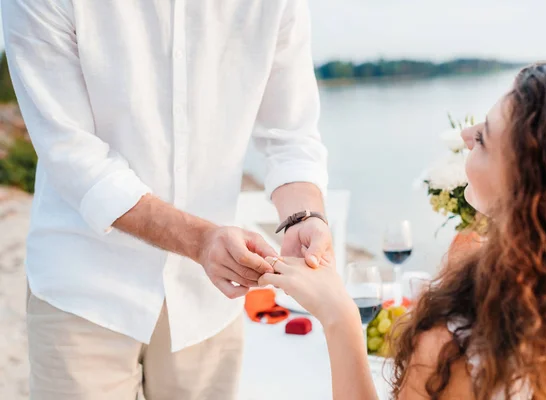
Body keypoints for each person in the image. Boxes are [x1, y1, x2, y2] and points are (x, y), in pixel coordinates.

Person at [2, 0, 331, 399]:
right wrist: (200, 241)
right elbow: (73, 156)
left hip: (208, 298)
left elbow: (291, 136)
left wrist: (303, 217)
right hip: (83, 287)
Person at [260, 52, 546, 399]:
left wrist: (340, 318)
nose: (466, 134)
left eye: (483, 137)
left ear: (528, 186)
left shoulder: (456, 347)